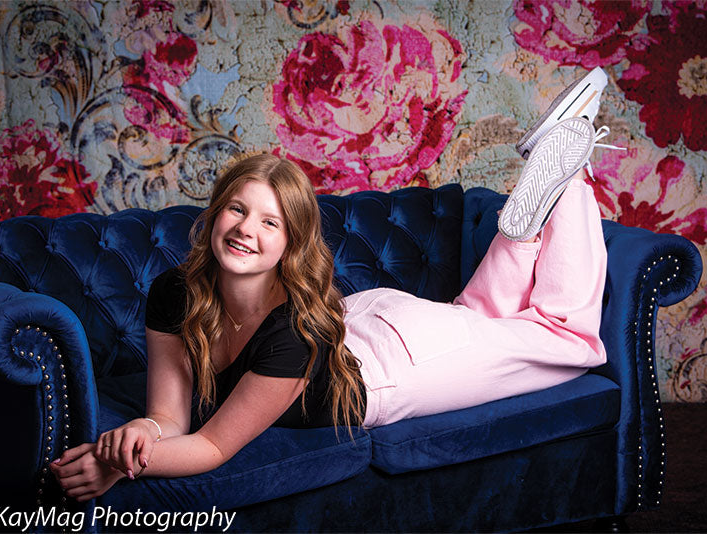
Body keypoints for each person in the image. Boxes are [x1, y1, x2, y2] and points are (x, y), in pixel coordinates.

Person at [50, 67, 620, 501]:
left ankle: (567, 175)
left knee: (565, 339)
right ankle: (528, 223)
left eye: (270, 222)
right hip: (361, 322)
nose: (246, 230)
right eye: (237, 210)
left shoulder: (290, 336)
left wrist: (121, 465)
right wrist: (140, 433)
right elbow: (171, 418)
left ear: (291, 243)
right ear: (215, 212)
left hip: (396, 366)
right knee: (481, 322)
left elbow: (213, 445)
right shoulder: (174, 292)